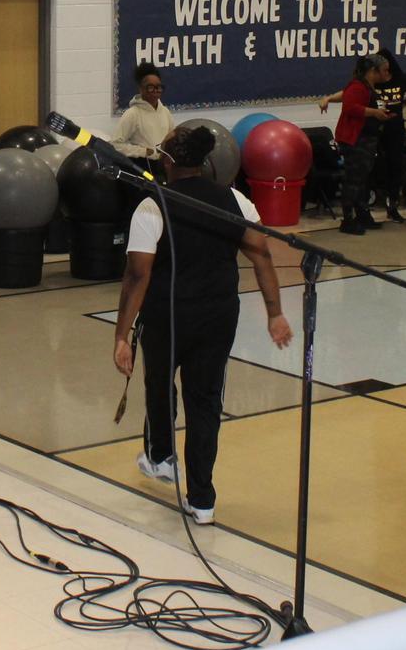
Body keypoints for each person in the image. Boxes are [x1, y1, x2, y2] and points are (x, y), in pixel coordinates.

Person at [111, 124, 293, 525]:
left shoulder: (152, 205)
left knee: (160, 383)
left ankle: (161, 456)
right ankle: (203, 500)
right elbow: (261, 256)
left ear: (168, 161)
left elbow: (138, 275)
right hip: (218, 315)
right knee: (205, 402)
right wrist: (275, 313)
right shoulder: (236, 200)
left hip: (167, 316)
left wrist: (122, 334)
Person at [321, 57, 391, 235]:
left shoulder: (366, 87)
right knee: (353, 181)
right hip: (356, 140)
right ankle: (347, 219)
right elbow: (350, 107)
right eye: (384, 70)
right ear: (373, 71)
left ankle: (362, 214)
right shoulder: (358, 86)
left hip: (367, 139)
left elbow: (346, 95)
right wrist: (375, 112)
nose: (387, 73)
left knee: (362, 180)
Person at [371, 50, 406, 221]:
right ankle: (371, 200)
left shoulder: (400, 78)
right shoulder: (374, 81)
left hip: (395, 128)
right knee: (375, 164)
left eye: (386, 69)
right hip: (376, 127)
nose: (384, 73)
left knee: (395, 165)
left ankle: (393, 204)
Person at [110, 63, 175, 164]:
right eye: (150, 87)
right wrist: (143, 152)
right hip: (144, 164)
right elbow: (115, 144)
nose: (155, 91)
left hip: (164, 165)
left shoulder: (165, 112)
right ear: (141, 89)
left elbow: (172, 137)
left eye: (158, 87)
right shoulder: (132, 114)